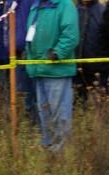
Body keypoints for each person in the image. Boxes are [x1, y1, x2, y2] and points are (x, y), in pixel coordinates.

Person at [25, 0, 79, 150]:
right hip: (38, 69)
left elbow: (71, 35)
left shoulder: (65, 5)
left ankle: (63, 152)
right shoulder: (35, 7)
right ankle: (49, 150)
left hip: (57, 71)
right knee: (45, 114)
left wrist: (57, 52)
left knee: (60, 114)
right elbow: (30, 35)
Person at [0, 0, 36, 123]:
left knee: (23, 93)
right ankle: (8, 124)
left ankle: (25, 124)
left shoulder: (13, 4)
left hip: (19, 55)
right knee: (5, 95)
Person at [75, 0, 109, 104]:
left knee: (101, 106)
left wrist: (107, 66)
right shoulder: (74, 11)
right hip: (77, 70)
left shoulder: (104, 11)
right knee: (79, 107)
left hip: (99, 71)